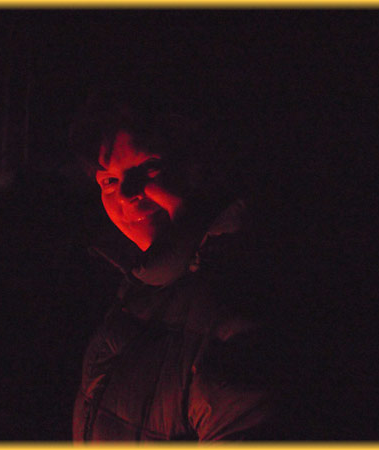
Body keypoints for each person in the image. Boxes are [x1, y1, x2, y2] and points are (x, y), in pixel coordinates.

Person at [68, 83, 294, 441]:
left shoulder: (239, 297)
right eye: (109, 180)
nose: (126, 194)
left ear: (199, 167)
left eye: (149, 167)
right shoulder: (139, 288)